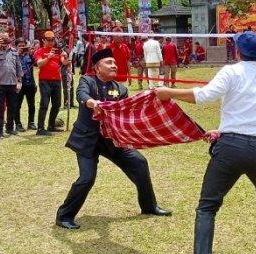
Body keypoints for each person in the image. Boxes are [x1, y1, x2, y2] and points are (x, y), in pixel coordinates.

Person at [155, 31, 256, 254]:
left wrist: (168, 92)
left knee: (207, 207)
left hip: (231, 147)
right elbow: (251, 116)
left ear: (236, 51)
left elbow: (203, 96)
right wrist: (223, 130)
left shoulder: (231, 72)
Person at [55, 48, 172, 230]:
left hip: (112, 139)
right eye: (109, 63)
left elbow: (127, 113)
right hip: (88, 139)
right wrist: (94, 104)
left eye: (115, 63)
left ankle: (149, 206)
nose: (114, 65)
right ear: (96, 67)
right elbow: (82, 96)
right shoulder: (88, 81)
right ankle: (64, 216)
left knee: (140, 163)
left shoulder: (120, 89)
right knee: (87, 178)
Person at [34, 31, 69, 136]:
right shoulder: (40, 51)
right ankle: (40, 128)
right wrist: (48, 57)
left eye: (53, 40)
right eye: (48, 40)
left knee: (57, 104)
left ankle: (51, 125)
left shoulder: (58, 51)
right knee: (44, 104)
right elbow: (39, 64)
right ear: (43, 40)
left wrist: (66, 57)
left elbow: (64, 62)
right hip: (45, 80)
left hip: (57, 80)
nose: (51, 42)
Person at [0, 32, 23, 139]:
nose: (5, 42)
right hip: (0, 83)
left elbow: (18, 67)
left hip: (12, 83)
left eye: (6, 40)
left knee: (12, 107)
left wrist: (19, 81)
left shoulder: (14, 51)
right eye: (2, 40)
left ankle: (9, 127)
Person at [15, 38, 37, 131]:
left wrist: (33, 52)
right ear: (16, 46)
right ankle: (18, 123)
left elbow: (36, 63)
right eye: (19, 46)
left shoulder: (30, 56)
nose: (22, 47)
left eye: (23, 45)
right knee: (17, 105)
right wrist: (17, 53)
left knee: (31, 104)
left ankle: (31, 122)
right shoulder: (14, 56)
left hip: (30, 83)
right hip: (19, 84)